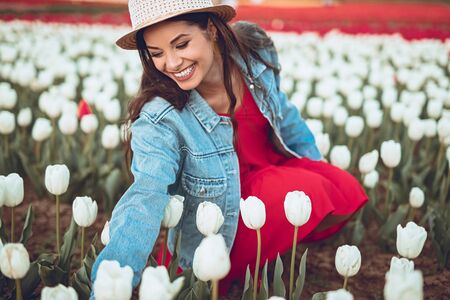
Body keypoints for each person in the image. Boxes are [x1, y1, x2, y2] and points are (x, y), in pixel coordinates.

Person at [90, 0, 368, 297]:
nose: (171, 64)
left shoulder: (252, 49)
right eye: (156, 54)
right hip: (219, 213)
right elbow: (146, 192)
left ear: (210, 29)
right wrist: (111, 283)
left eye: (181, 45)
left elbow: (284, 114)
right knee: (302, 192)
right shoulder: (160, 117)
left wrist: (316, 165)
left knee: (342, 188)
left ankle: (261, 253)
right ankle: (237, 264)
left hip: (271, 169)